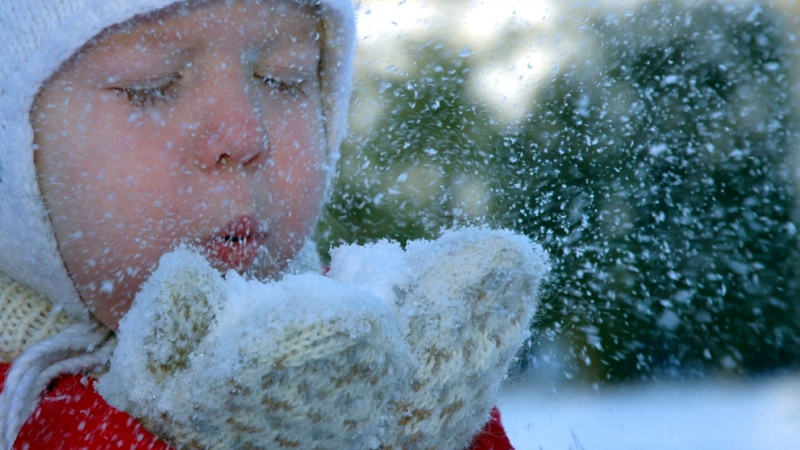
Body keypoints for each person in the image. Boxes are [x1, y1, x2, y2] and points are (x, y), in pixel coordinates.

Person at [0, 0, 535, 448]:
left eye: (283, 78)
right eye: (153, 85)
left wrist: (433, 431)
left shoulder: (360, 354)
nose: (245, 134)